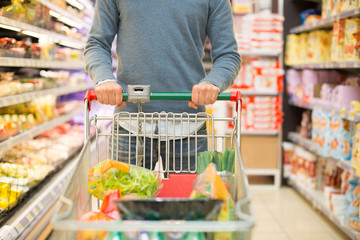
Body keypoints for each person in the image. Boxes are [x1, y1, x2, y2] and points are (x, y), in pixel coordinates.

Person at [84, 0, 241, 172]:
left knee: (188, 198)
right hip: (129, 126)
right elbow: (97, 44)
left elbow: (228, 55)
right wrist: (104, 79)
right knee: (125, 198)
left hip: (188, 126)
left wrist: (213, 82)